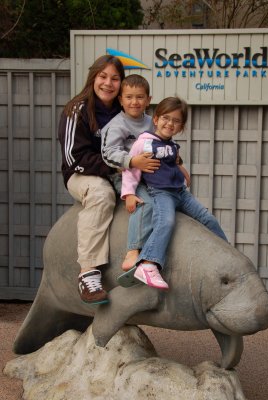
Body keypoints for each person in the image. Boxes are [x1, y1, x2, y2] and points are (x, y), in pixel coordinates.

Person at [121, 97, 228, 290]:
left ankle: (228, 254)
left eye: (176, 121)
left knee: (208, 219)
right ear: (156, 119)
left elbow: (174, 162)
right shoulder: (143, 144)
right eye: (166, 118)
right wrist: (128, 193)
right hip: (160, 193)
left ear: (181, 126)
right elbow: (130, 170)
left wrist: (183, 171)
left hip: (180, 192)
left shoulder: (171, 145)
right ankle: (148, 264)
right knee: (166, 221)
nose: (170, 123)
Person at [58, 55, 125, 305]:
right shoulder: (77, 109)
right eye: (103, 76)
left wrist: (178, 165)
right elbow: (73, 158)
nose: (108, 83)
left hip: (119, 172)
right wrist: (117, 167)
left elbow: (148, 138)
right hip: (81, 174)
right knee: (101, 195)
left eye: (115, 78)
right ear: (93, 77)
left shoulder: (124, 109)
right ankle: (88, 273)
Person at [101, 74, 161, 270]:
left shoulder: (153, 122)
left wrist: (177, 160)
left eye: (140, 97)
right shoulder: (117, 125)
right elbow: (108, 154)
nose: (134, 102)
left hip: (151, 175)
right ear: (120, 100)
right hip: (124, 176)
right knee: (145, 205)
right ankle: (132, 251)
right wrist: (133, 161)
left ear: (148, 100)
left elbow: (165, 141)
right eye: (129, 97)